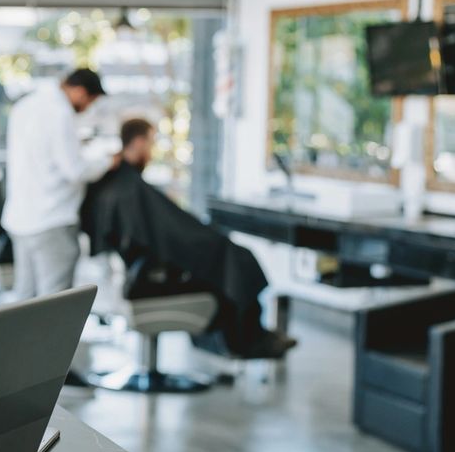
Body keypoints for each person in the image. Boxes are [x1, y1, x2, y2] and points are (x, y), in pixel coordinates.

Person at [82, 118, 295, 359]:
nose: (152, 152)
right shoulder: (129, 187)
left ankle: (246, 337)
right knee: (235, 259)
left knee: (228, 259)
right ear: (140, 142)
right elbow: (170, 231)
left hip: (140, 268)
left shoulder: (118, 181)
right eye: (151, 143)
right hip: (150, 274)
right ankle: (246, 340)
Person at [2, 66, 115, 298]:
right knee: (54, 305)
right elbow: (74, 171)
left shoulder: (25, 105)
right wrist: (107, 162)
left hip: (21, 219)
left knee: (25, 301)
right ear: (81, 92)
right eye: (89, 101)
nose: (86, 108)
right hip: (52, 220)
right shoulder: (59, 113)